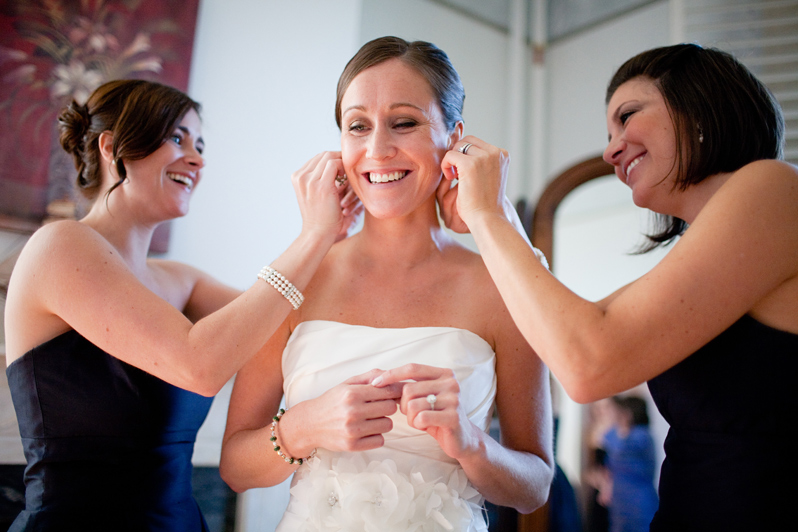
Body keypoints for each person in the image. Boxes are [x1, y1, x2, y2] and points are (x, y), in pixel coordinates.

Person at [438, 42, 798, 530]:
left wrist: (485, 214)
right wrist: (494, 217)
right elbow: (572, 328)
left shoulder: (775, 190)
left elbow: (586, 361)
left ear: (699, 107)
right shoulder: (711, 257)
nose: (610, 150)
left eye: (627, 116)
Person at [220, 36, 554, 531]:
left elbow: (534, 487)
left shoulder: (501, 287)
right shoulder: (296, 282)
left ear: (454, 136)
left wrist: (469, 441)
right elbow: (235, 467)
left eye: (405, 123)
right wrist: (303, 426)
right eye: (358, 126)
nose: (377, 149)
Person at [3, 79, 360, 531]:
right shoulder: (59, 246)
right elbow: (199, 363)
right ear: (113, 148)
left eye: (200, 144)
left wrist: (341, 232)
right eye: (177, 138)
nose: (197, 158)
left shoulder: (182, 280)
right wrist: (310, 237)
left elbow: (295, 325)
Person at [601, 396, 658, 532]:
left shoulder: (643, 435)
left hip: (639, 500)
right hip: (619, 502)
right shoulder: (615, 433)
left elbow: (619, 446)